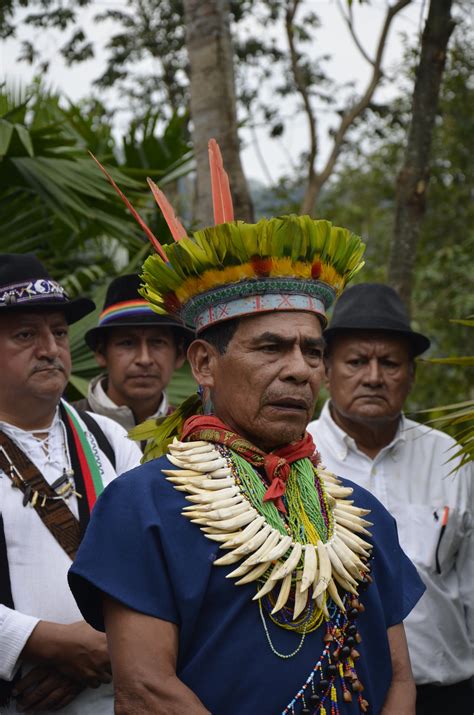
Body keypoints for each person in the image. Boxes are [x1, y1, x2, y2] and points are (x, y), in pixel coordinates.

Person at [68, 142, 425, 715]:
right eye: (271, 347)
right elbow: (143, 690)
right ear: (205, 364)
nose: (299, 368)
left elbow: (401, 679)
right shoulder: (144, 506)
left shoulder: (359, 517)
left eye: (312, 350)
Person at [307, 283, 474, 715]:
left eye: (391, 363)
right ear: (326, 369)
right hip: (336, 697)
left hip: (447, 694)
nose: (374, 377)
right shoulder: (298, 458)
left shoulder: (450, 458)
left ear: (412, 375)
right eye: (357, 361)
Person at [0, 254, 142, 714]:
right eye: (26, 334)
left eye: (58, 332)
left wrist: (105, 644)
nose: (51, 349)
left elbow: (156, 557)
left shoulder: (110, 438)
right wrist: (37, 643)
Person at [73, 273, 192, 432]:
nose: (144, 359)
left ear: (179, 355)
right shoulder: (64, 427)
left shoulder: (193, 435)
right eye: (127, 343)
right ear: (101, 353)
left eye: (157, 342)